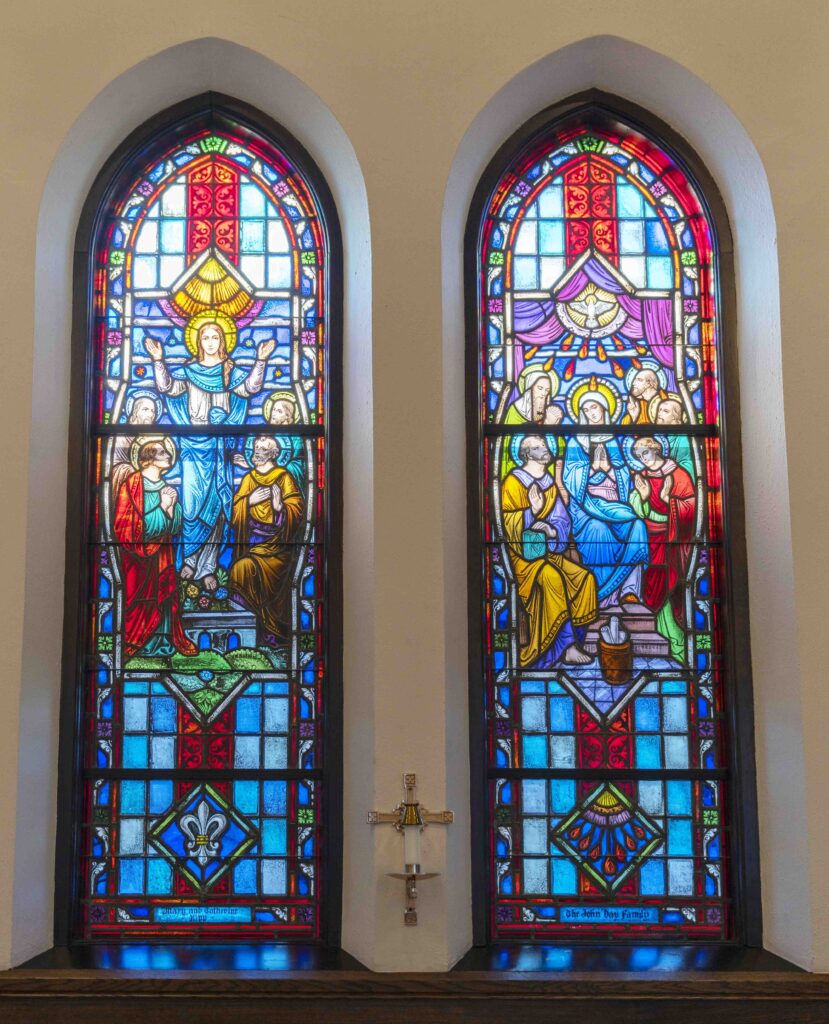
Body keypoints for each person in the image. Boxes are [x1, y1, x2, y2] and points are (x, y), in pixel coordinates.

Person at [146, 316, 275, 591]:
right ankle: (189, 560)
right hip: (194, 449)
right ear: (198, 342)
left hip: (219, 450)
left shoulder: (230, 371)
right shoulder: (190, 372)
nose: (211, 342)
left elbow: (250, 388)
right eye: (205, 337)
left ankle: (208, 566)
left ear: (223, 341)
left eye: (215, 337)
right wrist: (158, 359)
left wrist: (261, 360)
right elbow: (167, 387)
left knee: (218, 507)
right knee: (192, 507)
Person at [502, 435, 596, 668]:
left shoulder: (549, 483)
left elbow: (562, 520)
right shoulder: (513, 482)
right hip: (524, 558)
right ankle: (564, 647)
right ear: (526, 454)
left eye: (545, 445)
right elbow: (505, 521)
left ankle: (574, 642)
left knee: (584, 578)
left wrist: (553, 531)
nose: (546, 448)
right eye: (539, 446)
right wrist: (530, 513)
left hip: (549, 552)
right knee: (552, 578)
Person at [562, 384, 649, 607]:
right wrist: (593, 469)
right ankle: (600, 596)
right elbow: (569, 477)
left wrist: (609, 468)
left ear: (604, 409)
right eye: (587, 409)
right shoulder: (576, 442)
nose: (592, 412)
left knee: (637, 525)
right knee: (597, 529)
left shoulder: (613, 440)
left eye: (595, 407)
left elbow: (624, 477)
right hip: (585, 507)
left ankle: (629, 592)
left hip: (615, 504)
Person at [113, 437, 196, 658]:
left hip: (162, 556)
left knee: (164, 595)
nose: (168, 455)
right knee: (141, 599)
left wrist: (170, 510)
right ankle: (138, 644)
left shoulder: (167, 488)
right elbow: (125, 527)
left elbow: (176, 526)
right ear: (147, 459)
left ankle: (163, 642)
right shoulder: (131, 486)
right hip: (136, 559)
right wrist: (162, 507)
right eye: (162, 453)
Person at [629, 436, 697, 663]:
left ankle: (675, 643)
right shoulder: (641, 477)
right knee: (650, 580)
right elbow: (636, 509)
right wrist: (644, 497)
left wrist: (669, 500)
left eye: (645, 453)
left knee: (670, 582)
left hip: (671, 537)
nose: (643, 459)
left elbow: (691, 507)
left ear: (656, 449)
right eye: (639, 456)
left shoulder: (677, 474)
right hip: (647, 535)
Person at [230, 435, 304, 644]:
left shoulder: (284, 477)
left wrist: (280, 506)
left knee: (250, 571)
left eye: (262, 448)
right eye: (255, 447)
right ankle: (246, 634)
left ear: (273, 454)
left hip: (279, 546)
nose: (257, 451)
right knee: (240, 569)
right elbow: (235, 513)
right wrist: (249, 501)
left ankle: (272, 635)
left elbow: (297, 511)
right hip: (253, 542)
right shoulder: (249, 478)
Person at [501, 367, 564, 478]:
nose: (543, 394)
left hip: (546, 477)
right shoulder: (515, 411)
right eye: (540, 388)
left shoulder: (549, 414)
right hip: (520, 476)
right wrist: (547, 426)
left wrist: (552, 427)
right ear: (530, 389)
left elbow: (560, 450)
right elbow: (511, 447)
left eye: (547, 390)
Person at [235, 390, 306, 489]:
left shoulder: (296, 438)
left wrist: (255, 465)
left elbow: (299, 465)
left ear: (287, 416)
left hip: (285, 485)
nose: (274, 413)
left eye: (279, 411)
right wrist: (251, 463)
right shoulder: (265, 432)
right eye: (274, 409)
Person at [110, 391, 161, 499]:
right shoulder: (122, 436)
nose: (151, 414)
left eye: (153, 411)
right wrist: (135, 472)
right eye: (145, 409)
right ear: (135, 411)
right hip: (126, 483)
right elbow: (114, 466)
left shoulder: (153, 438)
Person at [651, 393, 696, 479]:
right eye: (659, 410)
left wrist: (667, 469)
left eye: (665, 411)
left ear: (675, 417)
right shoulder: (655, 438)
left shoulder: (682, 438)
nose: (659, 413)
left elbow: (688, 466)